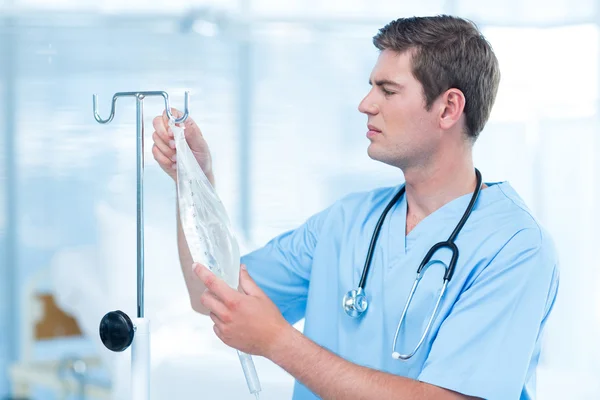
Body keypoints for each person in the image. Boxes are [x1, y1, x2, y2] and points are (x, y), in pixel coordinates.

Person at [151, 15, 559, 400]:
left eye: (387, 90)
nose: (366, 104)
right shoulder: (346, 222)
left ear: (449, 108)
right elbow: (212, 292)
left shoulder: (515, 247)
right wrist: (195, 181)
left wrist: (278, 342)